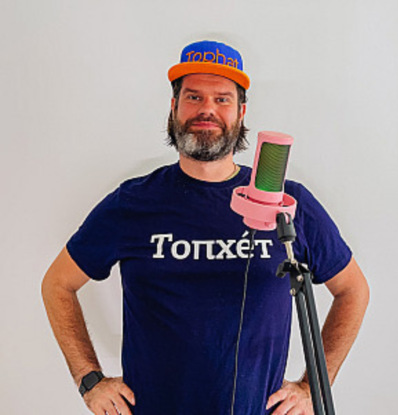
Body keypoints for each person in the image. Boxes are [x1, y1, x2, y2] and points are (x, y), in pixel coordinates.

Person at [42, 40, 369, 415]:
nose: (207, 110)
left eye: (222, 99)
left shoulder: (286, 204)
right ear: (174, 107)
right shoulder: (131, 203)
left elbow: (353, 290)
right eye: (193, 97)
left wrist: (312, 387)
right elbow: (58, 284)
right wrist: (89, 380)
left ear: (241, 112)